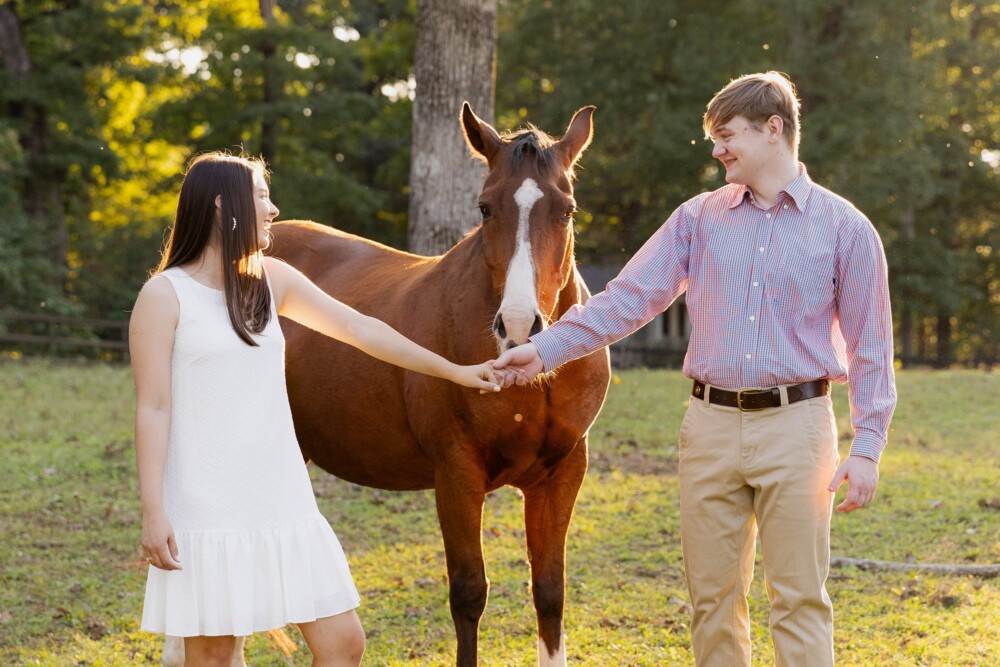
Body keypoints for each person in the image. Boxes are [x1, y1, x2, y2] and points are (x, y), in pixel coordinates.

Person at [493, 71, 896, 666]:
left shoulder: (846, 230)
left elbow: (871, 348)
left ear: (774, 130)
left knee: (799, 599)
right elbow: (628, 299)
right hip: (708, 428)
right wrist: (546, 350)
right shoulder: (697, 219)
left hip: (800, 427)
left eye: (727, 135)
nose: (716, 149)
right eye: (713, 137)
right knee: (712, 600)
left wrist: (868, 447)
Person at [130, 151, 502, 667]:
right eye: (262, 196)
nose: (274, 209)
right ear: (221, 205)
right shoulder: (164, 296)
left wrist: (455, 370)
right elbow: (152, 408)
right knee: (214, 656)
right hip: (203, 503)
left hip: (281, 495)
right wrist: (154, 513)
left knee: (343, 643)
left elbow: (361, 329)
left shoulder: (271, 279)